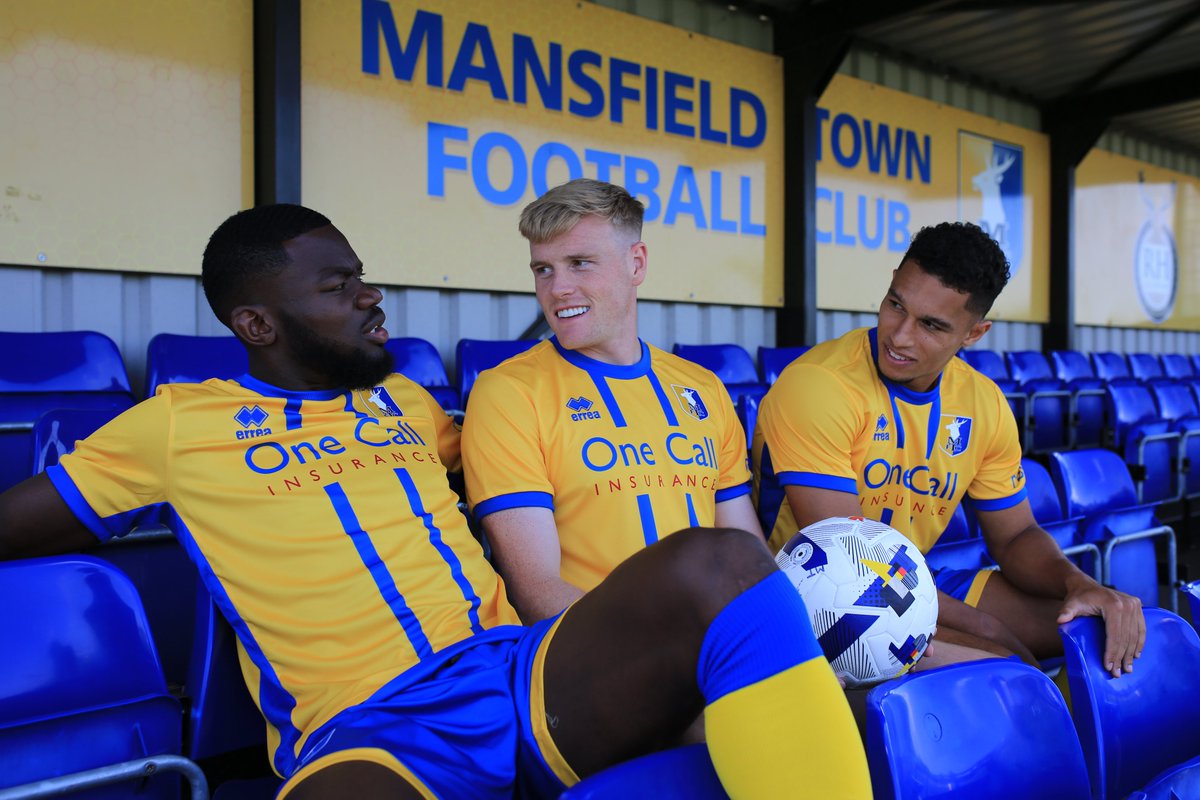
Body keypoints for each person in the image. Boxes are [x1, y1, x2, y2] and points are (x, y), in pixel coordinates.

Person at [0, 204, 870, 799]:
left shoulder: (412, 402)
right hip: (363, 729)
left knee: (720, 560)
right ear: (257, 325)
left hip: (519, 675)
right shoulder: (175, 426)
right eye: (338, 287)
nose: (372, 297)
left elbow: (536, 465)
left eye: (362, 277)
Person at [753, 221, 1145, 678]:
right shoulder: (818, 384)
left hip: (911, 581)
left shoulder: (984, 404)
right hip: (815, 597)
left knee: (1098, 629)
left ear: (974, 333)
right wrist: (986, 628)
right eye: (895, 304)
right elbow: (853, 565)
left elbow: (1015, 536)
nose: (899, 336)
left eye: (931, 325)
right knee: (1005, 668)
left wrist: (1079, 583)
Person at [462, 178, 762, 623]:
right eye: (543, 269)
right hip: (597, 660)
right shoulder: (508, 393)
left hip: (715, 648)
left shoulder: (702, 388)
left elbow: (749, 558)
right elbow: (536, 590)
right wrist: (679, 655)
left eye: (580, 263)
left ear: (636, 263)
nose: (558, 288)